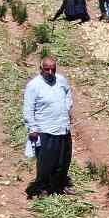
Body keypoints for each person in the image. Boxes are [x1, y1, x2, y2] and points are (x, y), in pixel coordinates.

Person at [23, 57, 74, 197]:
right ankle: (42, 188)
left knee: (63, 160)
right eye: (47, 69)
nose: (50, 72)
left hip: (63, 127)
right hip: (45, 129)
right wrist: (32, 128)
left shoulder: (61, 80)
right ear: (41, 69)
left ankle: (60, 185)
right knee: (46, 162)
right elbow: (28, 108)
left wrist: (68, 109)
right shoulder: (34, 85)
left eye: (53, 68)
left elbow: (68, 93)